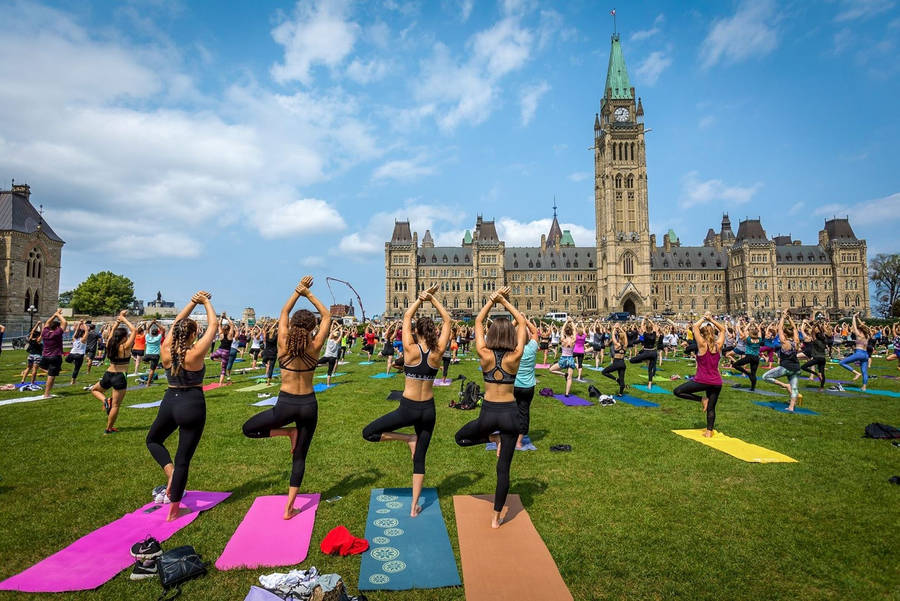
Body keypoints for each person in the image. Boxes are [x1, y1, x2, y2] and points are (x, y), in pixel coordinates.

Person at [243, 277, 331, 520]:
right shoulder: (314, 346)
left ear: (292, 326)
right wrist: (309, 295)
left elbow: (284, 311)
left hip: (286, 404)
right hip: (308, 405)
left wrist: (297, 291)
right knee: (300, 456)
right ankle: (289, 507)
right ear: (312, 327)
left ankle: (287, 433)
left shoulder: (283, 345)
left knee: (249, 429)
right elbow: (327, 316)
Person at [363, 285, 451, 517]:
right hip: (428, 410)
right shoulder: (437, 352)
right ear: (432, 332)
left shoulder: (410, 350)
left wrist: (421, 299)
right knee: (420, 459)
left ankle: (407, 439)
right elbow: (448, 320)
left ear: (416, 332)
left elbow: (406, 316)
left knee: (369, 432)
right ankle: (414, 508)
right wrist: (433, 299)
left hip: (409, 409)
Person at [455, 287, 526, 529]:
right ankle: (496, 518)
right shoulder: (515, 356)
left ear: (492, 334)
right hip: (510, 415)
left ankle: (490, 439)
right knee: (503, 470)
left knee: (460, 438)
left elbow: (477, 320)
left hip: (488, 413)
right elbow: (521, 321)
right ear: (511, 336)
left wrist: (492, 300)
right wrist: (505, 303)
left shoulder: (484, 354)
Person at [146, 292, 217, 522]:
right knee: (183, 459)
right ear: (194, 334)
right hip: (192, 403)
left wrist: (191, 302)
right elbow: (214, 325)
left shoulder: (166, 350)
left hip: (170, 401)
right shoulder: (196, 352)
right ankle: (174, 509)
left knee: (153, 440)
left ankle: (171, 474)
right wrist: (205, 302)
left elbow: (177, 323)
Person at [673, 312, 725, 437]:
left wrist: (704, 318)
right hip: (717, 382)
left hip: (702, 380)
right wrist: (711, 319)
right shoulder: (718, 345)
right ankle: (709, 432)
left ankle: (702, 399)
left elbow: (695, 327)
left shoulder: (702, 345)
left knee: (678, 391)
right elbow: (723, 329)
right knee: (711, 408)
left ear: (703, 335)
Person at [89, 311, 136, 433]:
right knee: (115, 406)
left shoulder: (110, 343)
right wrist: (123, 319)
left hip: (109, 373)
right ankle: (108, 428)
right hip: (120, 376)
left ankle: (105, 400)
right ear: (124, 338)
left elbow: (111, 333)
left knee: (94, 390)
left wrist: (117, 322)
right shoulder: (125, 347)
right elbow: (134, 330)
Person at [762, 309, 803, 411]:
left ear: (785, 335)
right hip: (796, 368)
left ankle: (785, 385)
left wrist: (783, 317)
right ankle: (791, 407)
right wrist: (789, 319)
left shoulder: (785, 343)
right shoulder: (796, 342)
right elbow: (794, 329)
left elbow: (779, 328)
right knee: (794, 389)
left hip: (785, 367)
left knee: (765, 377)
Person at [514, 319, 539, 450]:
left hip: (514, 386)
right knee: (524, 412)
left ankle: (509, 436)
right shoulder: (532, 348)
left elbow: (508, 333)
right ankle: (518, 441)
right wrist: (526, 321)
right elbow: (535, 331)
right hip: (528, 386)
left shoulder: (513, 349)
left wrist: (517, 321)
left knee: (511, 411)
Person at [838, 313, 871, 391]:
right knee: (864, 371)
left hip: (859, 353)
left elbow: (854, 325)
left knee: (842, 363)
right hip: (866, 354)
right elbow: (865, 327)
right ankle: (864, 387)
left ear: (860, 329)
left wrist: (853, 317)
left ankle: (856, 373)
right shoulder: (867, 336)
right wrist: (858, 319)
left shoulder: (859, 334)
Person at [40, 309, 68, 398]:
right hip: (55, 356)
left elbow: (47, 322)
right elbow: (64, 322)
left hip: (45, 355)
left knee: (47, 371)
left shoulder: (44, 332)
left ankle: (47, 392)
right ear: (56, 327)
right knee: (51, 375)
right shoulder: (57, 333)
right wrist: (58, 314)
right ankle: (46, 394)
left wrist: (54, 315)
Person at [630, 317, 659, 391]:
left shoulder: (645, 334)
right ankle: (649, 384)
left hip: (646, 352)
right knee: (650, 369)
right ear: (652, 328)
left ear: (646, 328)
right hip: (654, 353)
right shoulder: (655, 333)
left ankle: (644, 360)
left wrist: (644, 319)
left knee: (631, 360)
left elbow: (642, 325)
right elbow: (654, 326)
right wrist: (649, 319)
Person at [548, 321, 576, 396]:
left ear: (565, 332)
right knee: (570, 377)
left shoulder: (563, 340)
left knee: (551, 370)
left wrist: (566, 322)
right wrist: (572, 322)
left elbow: (562, 330)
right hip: (570, 359)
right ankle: (567, 394)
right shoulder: (573, 340)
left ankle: (563, 374)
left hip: (564, 359)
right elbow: (575, 331)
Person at [732, 322, 762, 391]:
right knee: (753, 373)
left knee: (735, 365)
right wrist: (755, 324)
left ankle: (747, 373)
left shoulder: (748, 339)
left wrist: (750, 322)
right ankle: (752, 388)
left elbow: (745, 330)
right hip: (756, 358)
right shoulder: (759, 339)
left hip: (749, 357)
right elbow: (759, 330)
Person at [601, 323, 628, 396]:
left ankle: (616, 379)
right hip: (623, 363)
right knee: (622, 378)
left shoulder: (617, 345)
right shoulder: (625, 345)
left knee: (604, 372)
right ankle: (620, 393)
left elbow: (613, 336)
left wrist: (615, 328)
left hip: (617, 363)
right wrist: (620, 328)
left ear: (619, 337)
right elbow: (625, 335)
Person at [800, 321, 827, 389]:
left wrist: (815, 325)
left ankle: (816, 374)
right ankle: (822, 387)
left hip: (816, 358)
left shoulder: (815, 341)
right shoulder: (824, 341)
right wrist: (818, 326)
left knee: (803, 367)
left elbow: (812, 332)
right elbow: (822, 333)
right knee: (822, 373)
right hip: (823, 359)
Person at [21, 322, 43, 386]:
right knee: (34, 370)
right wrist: (42, 325)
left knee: (28, 368)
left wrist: (37, 324)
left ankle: (23, 380)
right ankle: (32, 382)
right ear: (37, 336)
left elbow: (32, 331)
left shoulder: (30, 339)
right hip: (37, 356)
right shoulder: (38, 340)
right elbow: (42, 333)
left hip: (30, 356)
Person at [67, 321, 87, 386]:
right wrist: (83, 323)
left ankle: (73, 362)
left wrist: (79, 324)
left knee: (67, 360)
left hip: (72, 354)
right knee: (76, 368)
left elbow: (76, 331)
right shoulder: (83, 339)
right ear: (83, 334)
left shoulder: (74, 338)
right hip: (79, 355)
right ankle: (73, 381)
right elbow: (87, 331)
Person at [144, 321, 163, 386]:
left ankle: (146, 363)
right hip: (155, 355)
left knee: (144, 361)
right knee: (152, 370)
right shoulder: (158, 338)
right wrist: (156, 323)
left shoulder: (147, 337)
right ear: (157, 333)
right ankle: (148, 383)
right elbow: (162, 329)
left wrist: (152, 323)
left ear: (151, 333)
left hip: (147, 355)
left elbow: (147, 329)